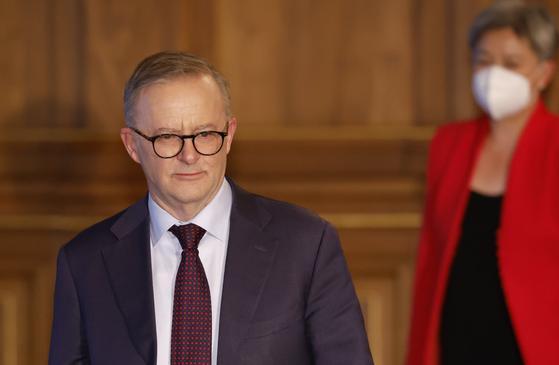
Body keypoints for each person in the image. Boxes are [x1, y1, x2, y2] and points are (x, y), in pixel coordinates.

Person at [49, 51, 374, 365]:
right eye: (167, 137)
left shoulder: (306, 245)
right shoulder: (84, 263)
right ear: (132, 145)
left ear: (229, 135)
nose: (189, 155)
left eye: (205, 134)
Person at [406, 2, 559, 365]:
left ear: (545, 72)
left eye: (511, 63)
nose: (493, 74)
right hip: (460, 351)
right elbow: (429, 271)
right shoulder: (448, 145)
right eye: (483, 60)